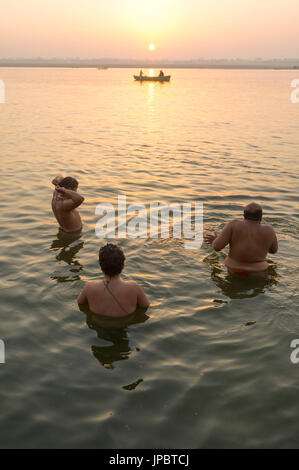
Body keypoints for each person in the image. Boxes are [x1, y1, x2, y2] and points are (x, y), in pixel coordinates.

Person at [204, 202, 278, 276]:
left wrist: (215, 240)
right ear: (261, 217)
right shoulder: (269, 230)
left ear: (244, 215)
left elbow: (217, 247)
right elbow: (273, 250)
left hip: (234, 269)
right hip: (258, 272)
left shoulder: (233, 225)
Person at [77, 243, 150, 317]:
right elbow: (145, 306)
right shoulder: (134, 287)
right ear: (123, 264)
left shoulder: (89, 288)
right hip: (124, 326)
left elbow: (80, 303)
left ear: (100, 265)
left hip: (99, 326)